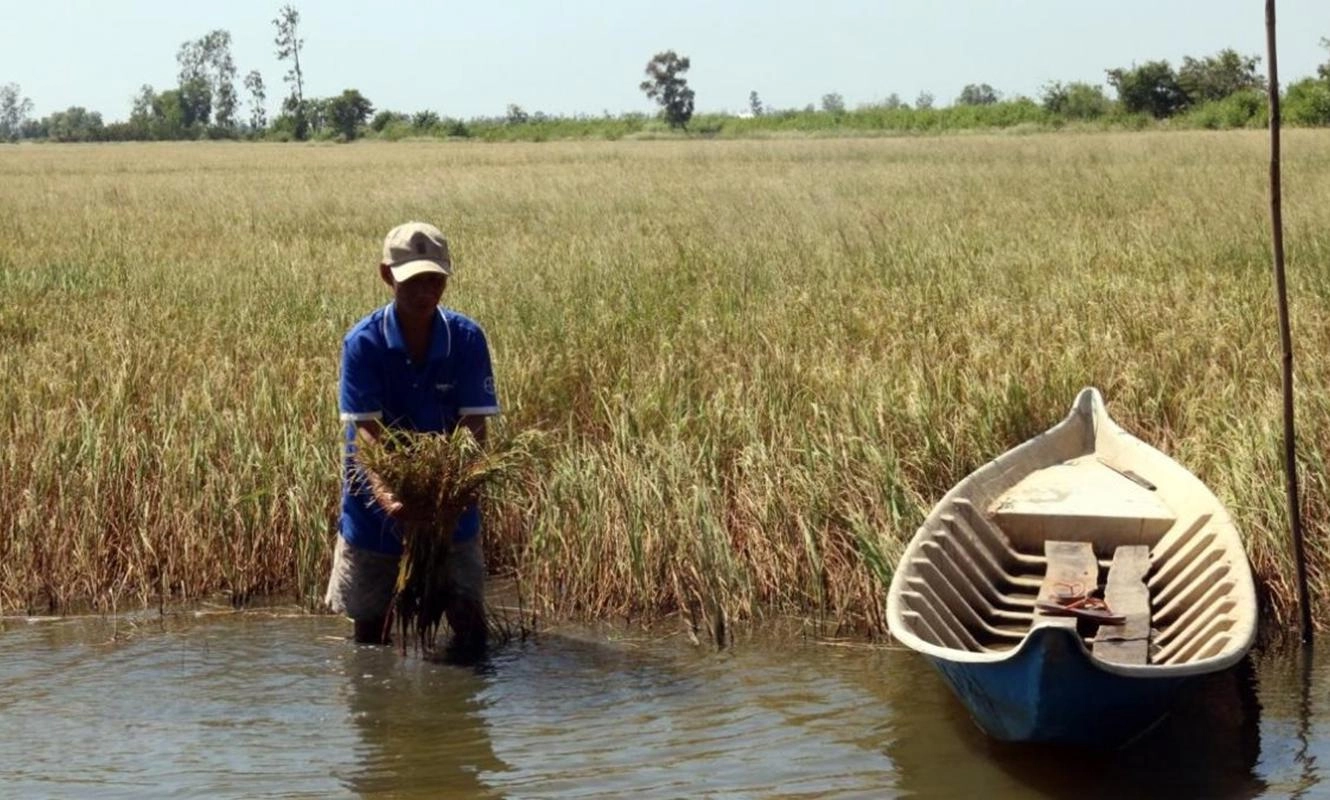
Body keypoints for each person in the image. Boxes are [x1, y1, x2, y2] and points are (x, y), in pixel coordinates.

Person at [325, 221, 500, 656]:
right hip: (376, 509)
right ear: (388, 276)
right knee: (370, 636)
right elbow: (366, 434)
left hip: (450, 505)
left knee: (468, 624)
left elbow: (474, 427)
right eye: (414, 281)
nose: (426, 293)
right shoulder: (364, 343)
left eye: (435, 281)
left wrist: (455, 491)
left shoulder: (466, 339)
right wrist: (391, 500)